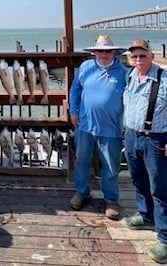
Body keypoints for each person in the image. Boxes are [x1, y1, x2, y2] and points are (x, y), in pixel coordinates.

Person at [69, 35, 127, 220]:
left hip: (111, 129)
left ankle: (111, 200)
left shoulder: (124, 72)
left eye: (107, 51)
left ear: (115, 52)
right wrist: (74, 112)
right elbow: (75, 90)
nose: (103, 54)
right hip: (85, 126)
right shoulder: (85, 67)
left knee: (110, 166)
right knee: (81, 161)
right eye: (100, 51)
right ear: (94, 52)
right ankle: (82, 192)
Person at [122, 39, 167, 264]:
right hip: (131, 136)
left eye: (142, 56)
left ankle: (165, 238)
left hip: (156, 139)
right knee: (138, 180)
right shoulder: (130, 75)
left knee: (160, 188)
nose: (138, 60)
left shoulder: (164, 78)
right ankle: (145, 215)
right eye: (134, 56)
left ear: (151, 55)